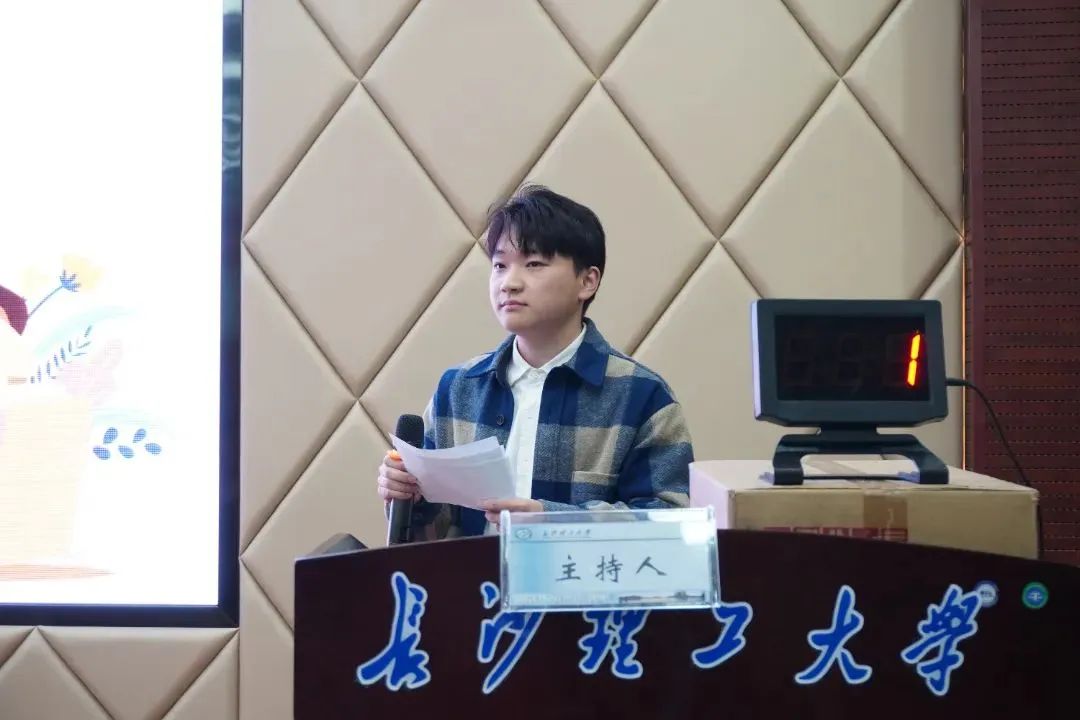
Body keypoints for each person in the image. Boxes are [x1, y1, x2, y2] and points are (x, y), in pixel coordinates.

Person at [376, 184, 694, 541]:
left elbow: (671, 521)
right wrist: (409, 498)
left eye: (534, 264)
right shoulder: (459, 388)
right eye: (499, 265)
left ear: (587, 281)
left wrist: (552, 521)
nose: (509, 283)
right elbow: (433, 535)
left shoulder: (643, 395)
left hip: (579, 578)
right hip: (472, 577)